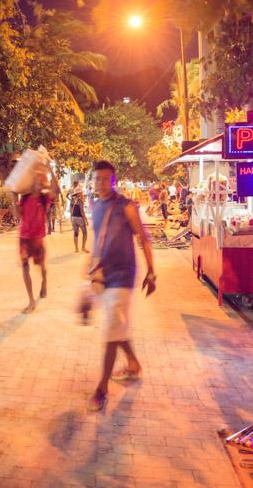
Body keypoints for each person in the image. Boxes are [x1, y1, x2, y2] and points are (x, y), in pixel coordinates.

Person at [86, 161, 156, 412]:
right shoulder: (95, 206)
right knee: (118, 326)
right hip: (104, 275)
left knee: (110, 331)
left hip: (124, 276)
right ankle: (134, 364)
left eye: (106, 179)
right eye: (97, 179)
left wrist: (152, 272)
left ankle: (102, 388)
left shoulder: (126, 206)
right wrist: (91, 270)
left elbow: (143, 239)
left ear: (113, 181)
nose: (101, 184)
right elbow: (97, 241)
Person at [10, 170, 58, 314]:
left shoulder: (45, 198)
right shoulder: (25, 198)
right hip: (24, 238)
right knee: (25, 268)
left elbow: (56, 189)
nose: (37, 184)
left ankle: (44, 282)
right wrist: (13, 200)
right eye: (35, 181)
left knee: (42, 267)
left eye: (40, 182)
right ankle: (31, 300)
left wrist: (49, 167)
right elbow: (17, 215)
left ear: (43, 184)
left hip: (38, 239)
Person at [70, 185, 89, 253]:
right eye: (81, 192)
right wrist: (86, 220)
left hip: (73, 218)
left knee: (75, 233)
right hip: (79, 218)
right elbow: (82, 211)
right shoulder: (80, 201)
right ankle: (83, 247)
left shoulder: (72, 200)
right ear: (78, 193)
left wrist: (71, 218)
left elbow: (70, 210)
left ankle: (76, 248)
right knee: (85, 233)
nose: (82, 193)